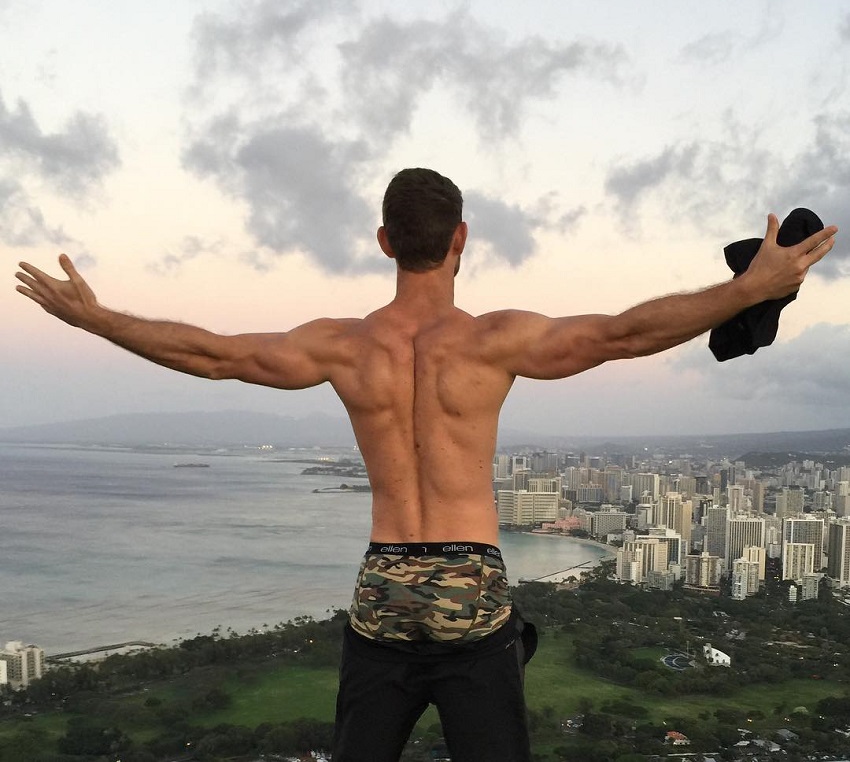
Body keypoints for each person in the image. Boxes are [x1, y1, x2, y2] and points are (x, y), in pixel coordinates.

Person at [15, 168, 837, 761]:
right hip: (471, 588)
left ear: (383, 242)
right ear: (461, 240)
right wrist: (741, 292)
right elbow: (622, 333)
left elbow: (215, 355)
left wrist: (98, 321)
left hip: (381, 587)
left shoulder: (341, 345)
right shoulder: (494, 340)